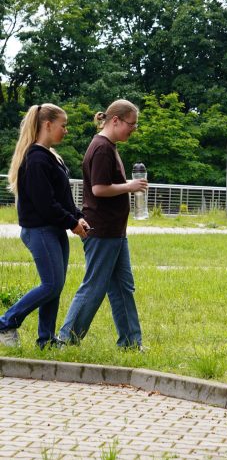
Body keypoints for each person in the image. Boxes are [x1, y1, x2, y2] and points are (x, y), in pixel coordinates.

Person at [59, 99, 147, 349]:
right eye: (132, 124)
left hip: (115, 232)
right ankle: (66, 339)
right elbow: (98, 189)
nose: (133, 129)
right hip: (102, 231)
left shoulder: (110, 146)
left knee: (123, 287)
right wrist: (129, 186)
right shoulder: (101, 148)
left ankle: (131, 343)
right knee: (95, 287)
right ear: (115, 120)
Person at [0, 104, 88, 349]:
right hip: (40, 230)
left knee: (55, 286)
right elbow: (45, 204)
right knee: (50, 285)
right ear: (47, 125)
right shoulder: (36, 159)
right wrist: (72, 223)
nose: (66, 131)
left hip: (54, 230)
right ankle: (5, 322)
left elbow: (62, 198)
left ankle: (46, 340)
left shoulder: (51, 157)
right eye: (64, 125)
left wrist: (77, 216)